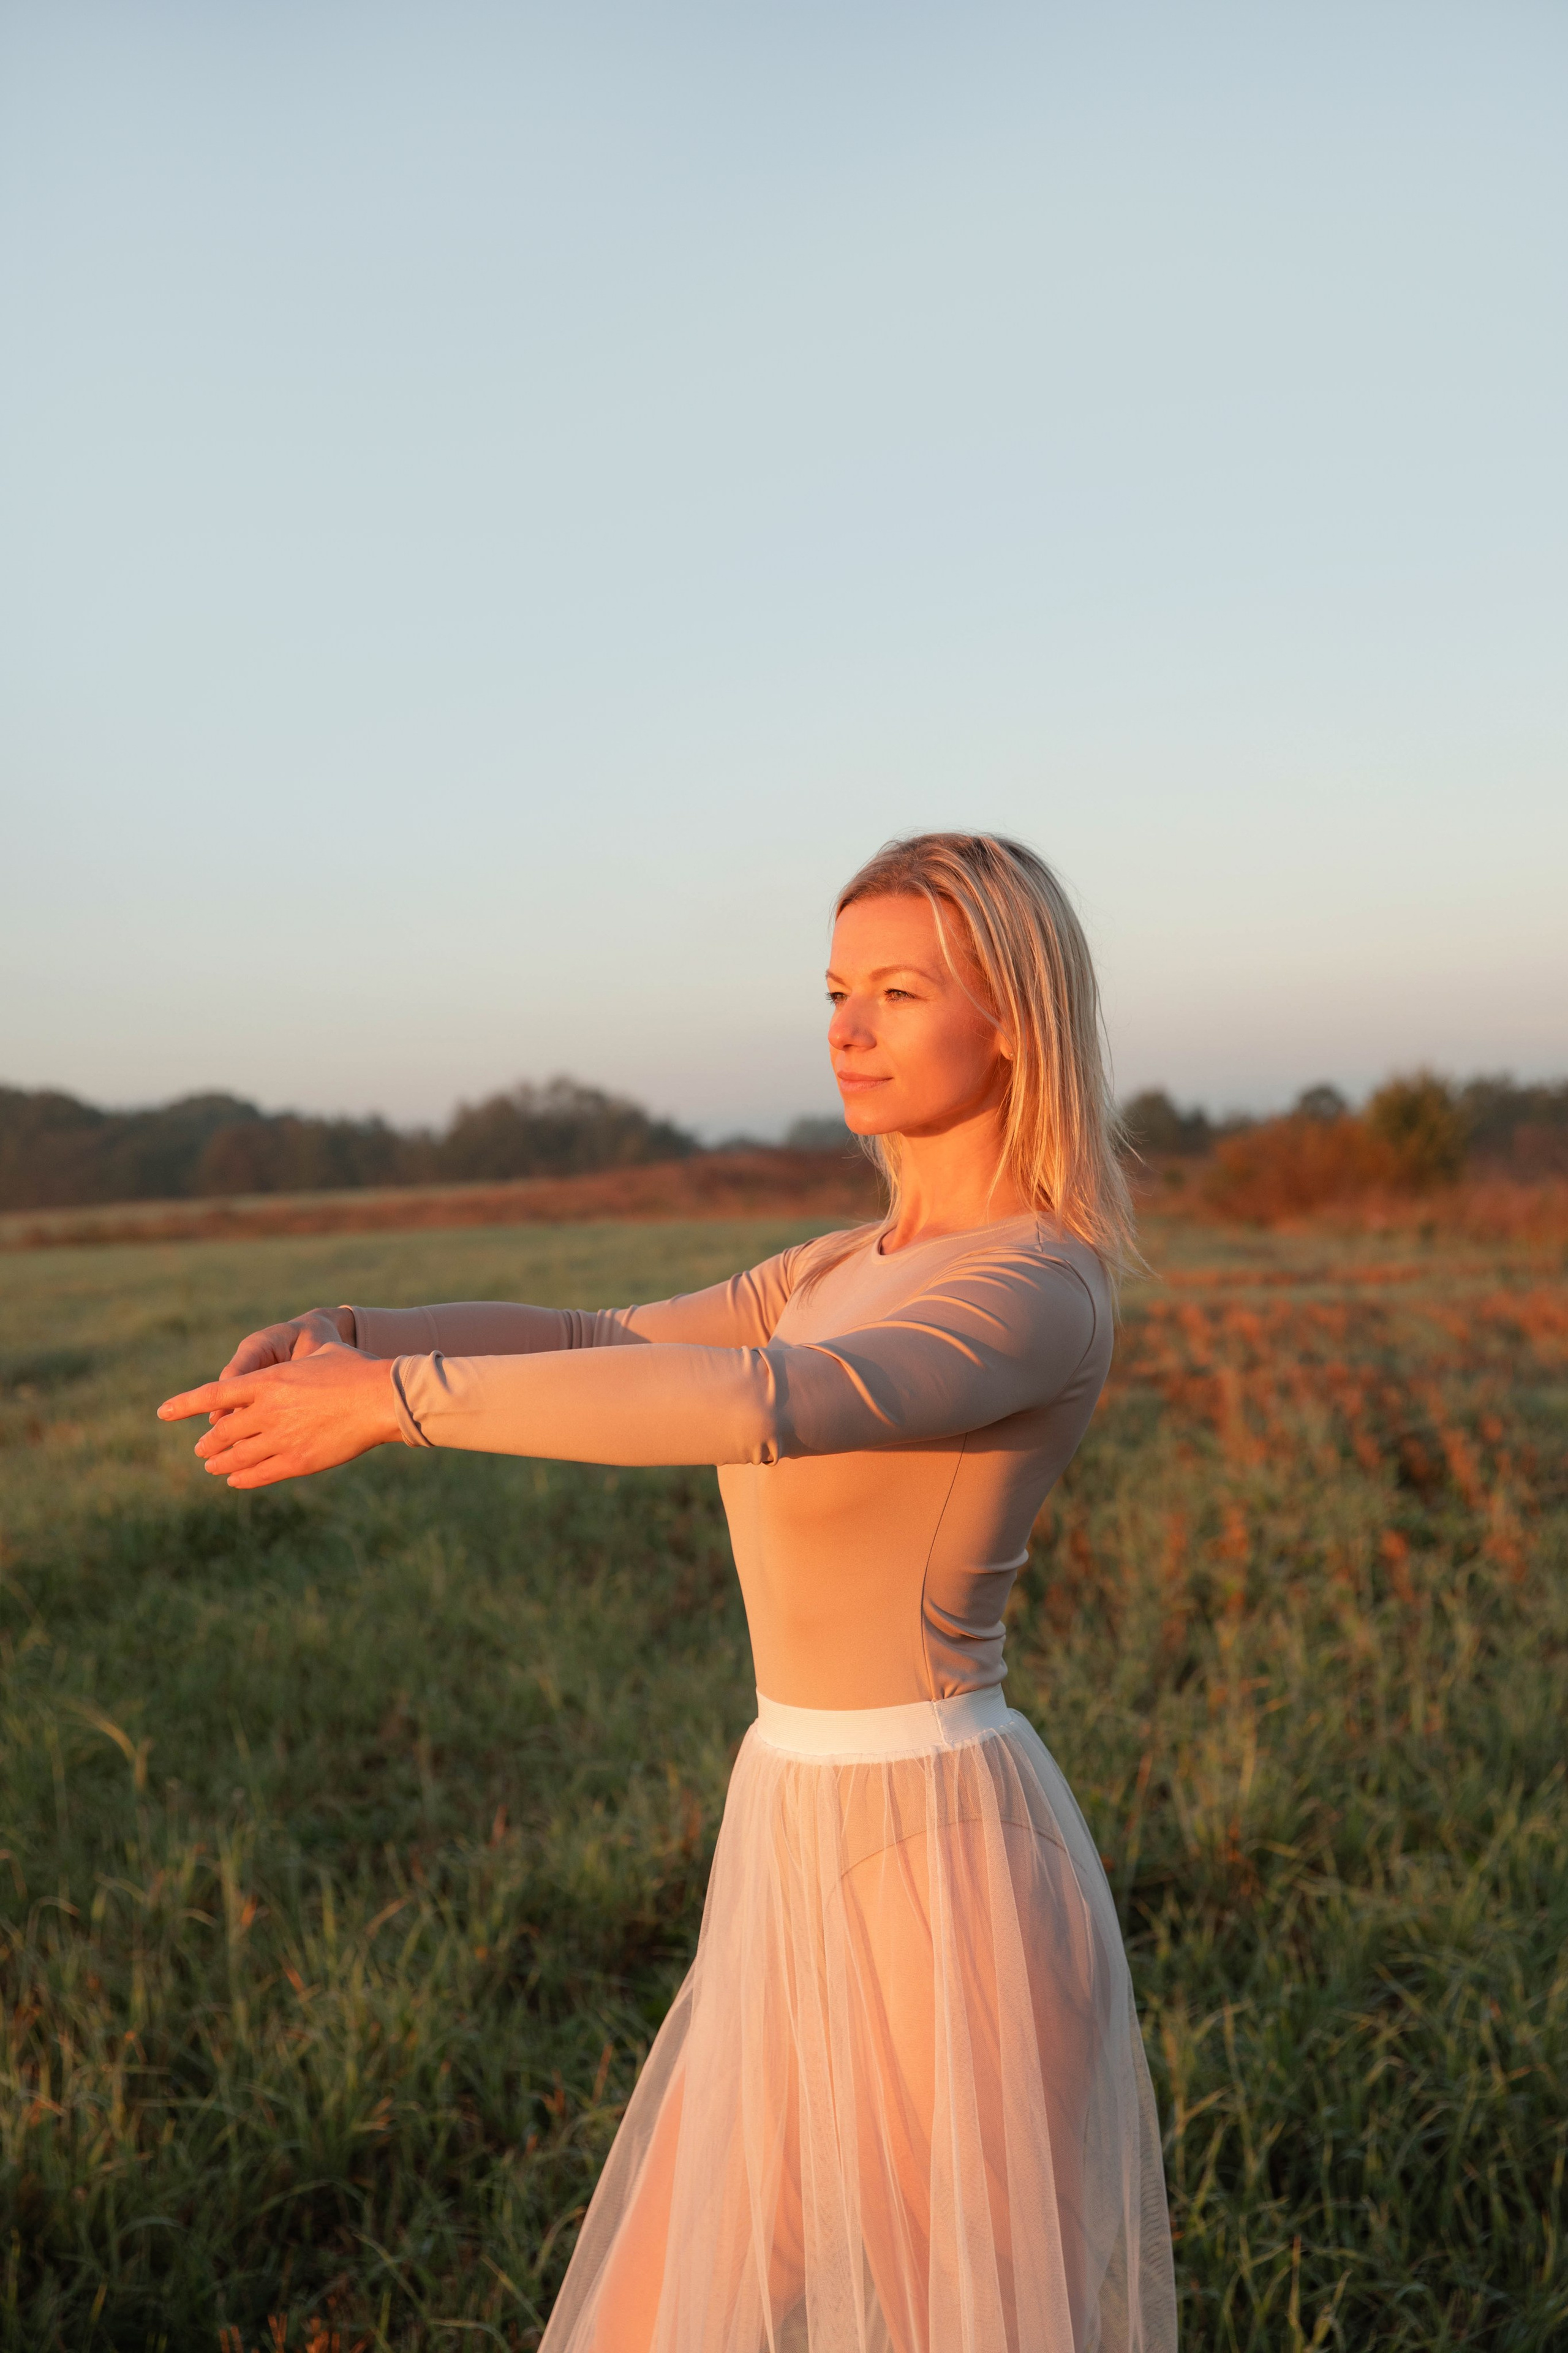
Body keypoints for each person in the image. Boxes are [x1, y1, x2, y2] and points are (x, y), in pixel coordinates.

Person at [160, 832, 1178, 2353]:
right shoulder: (840, 1258)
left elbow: (766, 1403)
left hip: (944, 1871)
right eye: (836, 990)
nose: (847, 1029)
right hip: (787, 1832)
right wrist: (355, 1327)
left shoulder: (1035, 1282)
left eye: (899, 992)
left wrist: (399, 1400)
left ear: (1015, 1020)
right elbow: (601, 1333)